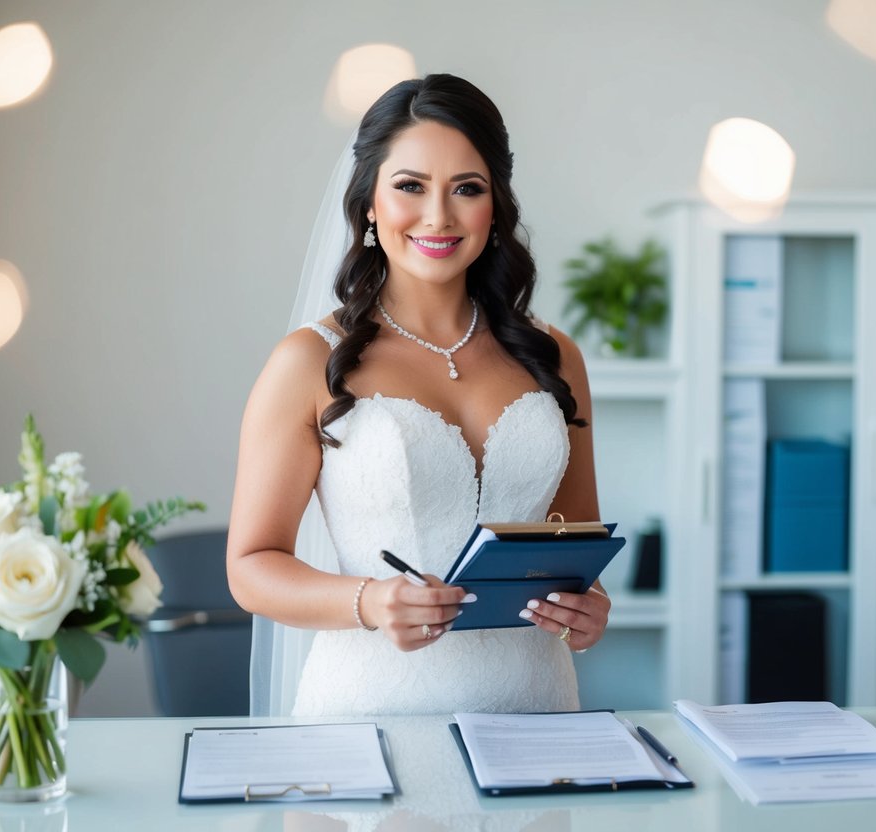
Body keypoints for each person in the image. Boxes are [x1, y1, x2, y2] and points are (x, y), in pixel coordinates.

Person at [226, 74, 610, 717]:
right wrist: (371, 602)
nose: (439, 215)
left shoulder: (555, 355)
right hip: (370, 713)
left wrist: (588, 609)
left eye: (467, 188)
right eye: (410, 186)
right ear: (370, 203)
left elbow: (574, 544)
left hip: (539, 719)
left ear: (496, 206)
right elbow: (250, 567)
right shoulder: (308, 361)